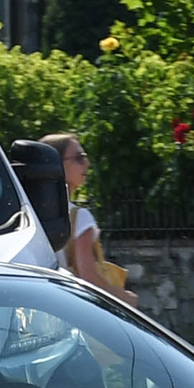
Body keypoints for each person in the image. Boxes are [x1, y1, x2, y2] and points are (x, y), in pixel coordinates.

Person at [40, 131, 134, 306]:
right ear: (57, 164)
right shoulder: (79, 217)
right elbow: (88, 276)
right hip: (72, 306)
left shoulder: (29, 213)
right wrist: (125, 299)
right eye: (79, 158)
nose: (87, 163)